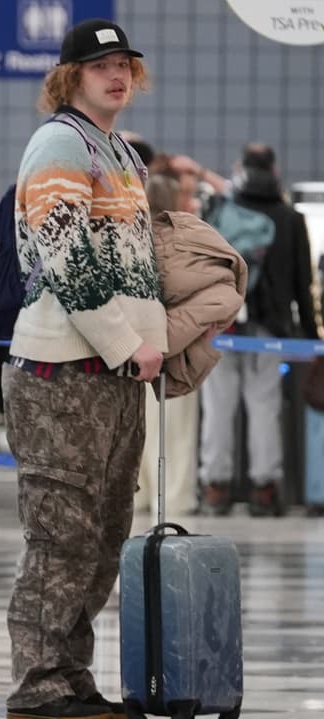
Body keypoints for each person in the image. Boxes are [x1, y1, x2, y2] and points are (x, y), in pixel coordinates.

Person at [2, 19, 166, 719]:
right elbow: (65, 252)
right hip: (60, 370)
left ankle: (71, 673)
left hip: (112, 371)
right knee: (62, 532)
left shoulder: (118, 149)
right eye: (101, 66)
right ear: (70, 77)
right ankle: (37, 683)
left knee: (102, 535)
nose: (117, 74)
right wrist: (127, 341)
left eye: (125, 63)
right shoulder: (60, 143)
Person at [199, 143, 317, 516]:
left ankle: (216, 487)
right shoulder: (290, 218)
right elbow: (302, 281)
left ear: (240, 168)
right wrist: (311, 335)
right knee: (264, 405)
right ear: (275, 170)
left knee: (218, 405)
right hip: (269, 328)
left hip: (221, 325)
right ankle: (264, 489)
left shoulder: (221, 209)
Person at [136, 172, 201, 517]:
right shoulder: (182, 241)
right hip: (177, 345)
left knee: (142, 424)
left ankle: (141, 493)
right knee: (177, 430)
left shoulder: (130, 238)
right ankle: (175, 497)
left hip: (137, 346)